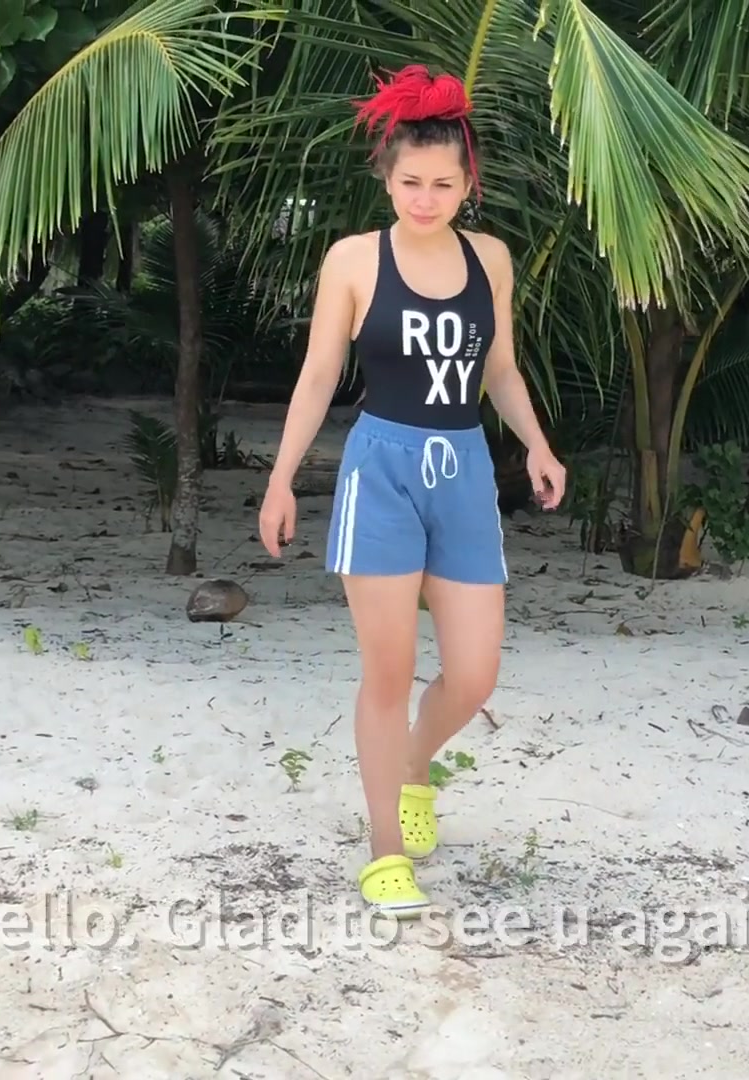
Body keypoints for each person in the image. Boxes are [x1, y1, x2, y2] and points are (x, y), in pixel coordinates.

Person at [257, 65, 567, 917]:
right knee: (388, 673)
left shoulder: (490, 259)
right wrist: (281, 479)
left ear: (468, 184)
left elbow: (499, 368)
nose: (425, 200)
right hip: (382, 471)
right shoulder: (354, 260)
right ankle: (386, 850)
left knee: (474, 676)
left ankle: (414, 765)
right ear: (386, 179)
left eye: (442, 185)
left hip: (463, 470)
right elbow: (319, 374)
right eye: (410, 183)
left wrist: (537, 444)